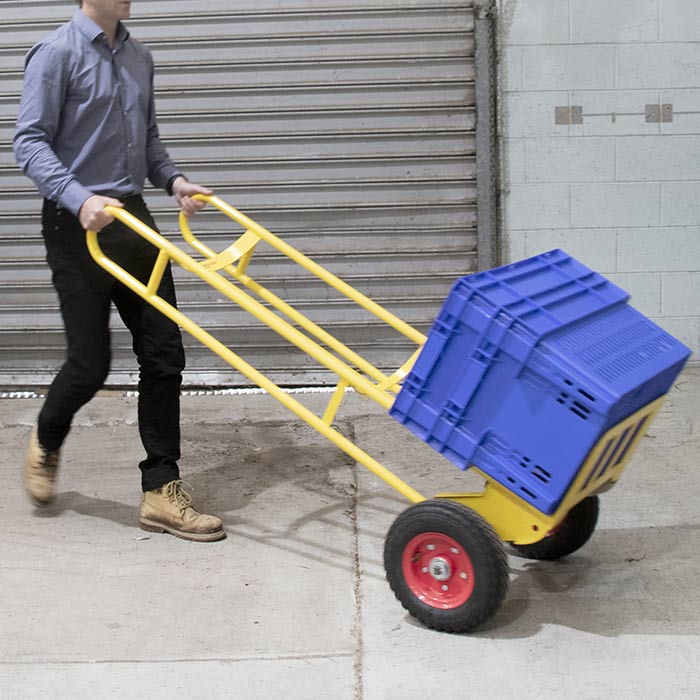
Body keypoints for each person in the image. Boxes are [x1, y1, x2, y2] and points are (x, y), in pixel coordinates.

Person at [13, 0, 226, 542]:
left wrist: (174, 182)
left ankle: (161, 489)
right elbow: (29, 142)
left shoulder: (139, 57)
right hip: (75, 222)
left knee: (163, 351)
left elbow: (147, 140)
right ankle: (47, 436)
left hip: (133, 218)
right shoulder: (56, 54)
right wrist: (78, 198)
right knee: (89, 364)